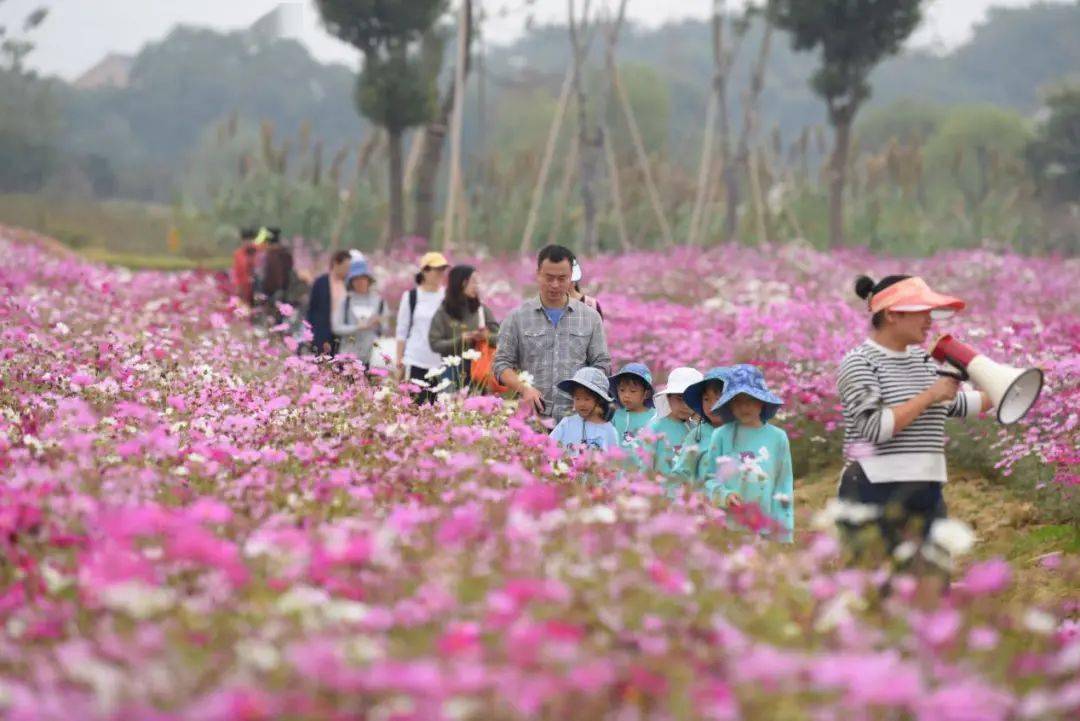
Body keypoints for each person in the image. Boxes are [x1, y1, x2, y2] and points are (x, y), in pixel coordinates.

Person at [836, 274, 991, 564]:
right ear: (893, 314)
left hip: (927, 489)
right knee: (876, 586)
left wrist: (1009, 388)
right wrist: (930, 395)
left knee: (930, 587)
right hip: (873, 489)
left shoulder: (922, 362)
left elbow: (952, 403)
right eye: (922, 312)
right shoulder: (859, 363)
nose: (930, 321)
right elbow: (875, 428)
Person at [494, 245, 611, 422]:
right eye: (549, 278)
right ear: (538, 274)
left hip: (578, 419)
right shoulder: (516, 318)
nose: (555, 285)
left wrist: (586, 393)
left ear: (571, 277)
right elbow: (501, 365)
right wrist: (524, 388)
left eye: (562, 278)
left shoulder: (590, 318)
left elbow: (601, 363)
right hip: (532, 420)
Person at [703, 365, 794, 543]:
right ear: (730, 404)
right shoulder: (721, 436)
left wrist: (783, 534)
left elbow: (783, 487)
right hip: (728, 529)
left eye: (751, 400)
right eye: (738, 401)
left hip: (765, 530)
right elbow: (709, 479)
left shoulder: (778, 438)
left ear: (762, 401)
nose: (744, 407)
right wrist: (725, 495)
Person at [428, 265, 500, 391]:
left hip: (479, 372)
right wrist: (460, 340)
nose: (476, 286)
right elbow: (435, 344)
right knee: (452, 409)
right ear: (461, 283)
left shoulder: (482, 310)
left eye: (477, 282)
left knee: (477, 410)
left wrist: (486, 336)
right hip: (451, 374)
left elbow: (502, 339)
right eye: (473, 281)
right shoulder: (443, 312)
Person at [395, 251, 450, 404]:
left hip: (441, 363)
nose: (441, 273)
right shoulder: (411, 296)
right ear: (424, 271)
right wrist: (399, 360)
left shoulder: (447, 297)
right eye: (436, 269)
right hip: (416, 360)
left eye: (443, 269)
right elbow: (402, 330)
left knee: (437, 411)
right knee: (413, 407)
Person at [671, 367, 731, 487]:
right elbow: (682, 471)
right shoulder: (696, 436)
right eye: (706, 399)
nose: (712, 405)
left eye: (718, 399)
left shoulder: (742, 432)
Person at [639, 367, 704, 477]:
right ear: (668, 397)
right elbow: (644, 467)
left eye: (690, 400)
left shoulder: (696, 431)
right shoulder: (654, 428)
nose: (685, 405)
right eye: (679, 398)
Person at [550, 367, 620, 454]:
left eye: (587, 399)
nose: (581, 404)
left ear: (599, 400)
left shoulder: (608, 430)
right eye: (577, 398)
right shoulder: (567, 423)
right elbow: (548, 446)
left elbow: (613, 460)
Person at [333, 258, 388, 366]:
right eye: (356, 278)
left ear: (369, 280)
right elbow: (336, 328)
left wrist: (378, 324)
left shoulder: (379, 302)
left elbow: (385, 329)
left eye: (363, 278)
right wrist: (357, 327)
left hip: (371, 359)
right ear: (351, 281)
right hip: (347, 359)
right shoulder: (346, 301)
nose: (360, 282)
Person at [306, 250, 352, 356]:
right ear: (336, 263)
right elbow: (312, 309)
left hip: (340, 334)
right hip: (322, 332)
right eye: (345, 267)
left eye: (349, 268)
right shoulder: (321, 282)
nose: (347, 271)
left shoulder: (347, 285)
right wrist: (310, 333)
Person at [608, 363, 656, 448]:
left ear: (646, 394)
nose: (626, 395)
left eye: (633, 391)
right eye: (622, 390)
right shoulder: (614, 416)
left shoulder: (655, 417)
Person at [259, 227, 293, 321]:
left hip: (272, 296)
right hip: (285, 295)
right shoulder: (286, 255)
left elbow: (269, 279)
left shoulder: (270, 256)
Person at [231, 227, 259, 305]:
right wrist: (238, 287)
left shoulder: (259, 252)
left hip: (258, 288)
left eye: (250, 240)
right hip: (244, 288)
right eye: (245, 240)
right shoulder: (238, 254)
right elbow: (237, 272)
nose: (248, 242)